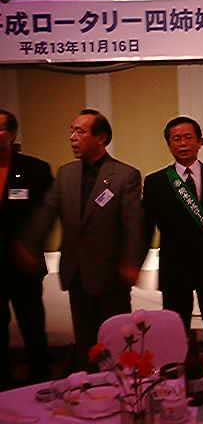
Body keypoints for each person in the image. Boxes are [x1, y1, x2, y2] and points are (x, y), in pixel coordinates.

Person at [19, 109, 145, 371]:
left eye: (80, 131)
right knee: (85, 341)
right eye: (71, 131)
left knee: (117, 340)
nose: (72, 137)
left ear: (101, 138)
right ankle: (88, 385)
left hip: (111, 273)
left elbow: (133, 225)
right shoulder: (66, 174)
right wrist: (29, 245)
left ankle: (121, 387)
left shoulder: (125, 175)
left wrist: (132, 262)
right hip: (76, 271)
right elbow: (47, 211)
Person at [143, 116, 203, 363]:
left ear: (199, 142)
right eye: (176, 139)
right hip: (175, 267)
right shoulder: (156, 182)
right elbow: (146, 228)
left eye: (188, 137)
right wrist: (135, 261)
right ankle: (176, 374)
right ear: (169, 144)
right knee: (175, 330)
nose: (183, 143)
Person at [0, 109, 53, 388]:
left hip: (24, 261)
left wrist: (30, 248)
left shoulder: (35, 169)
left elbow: (45, 215)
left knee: (32, 326)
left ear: (11, 134)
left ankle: (40, 381)